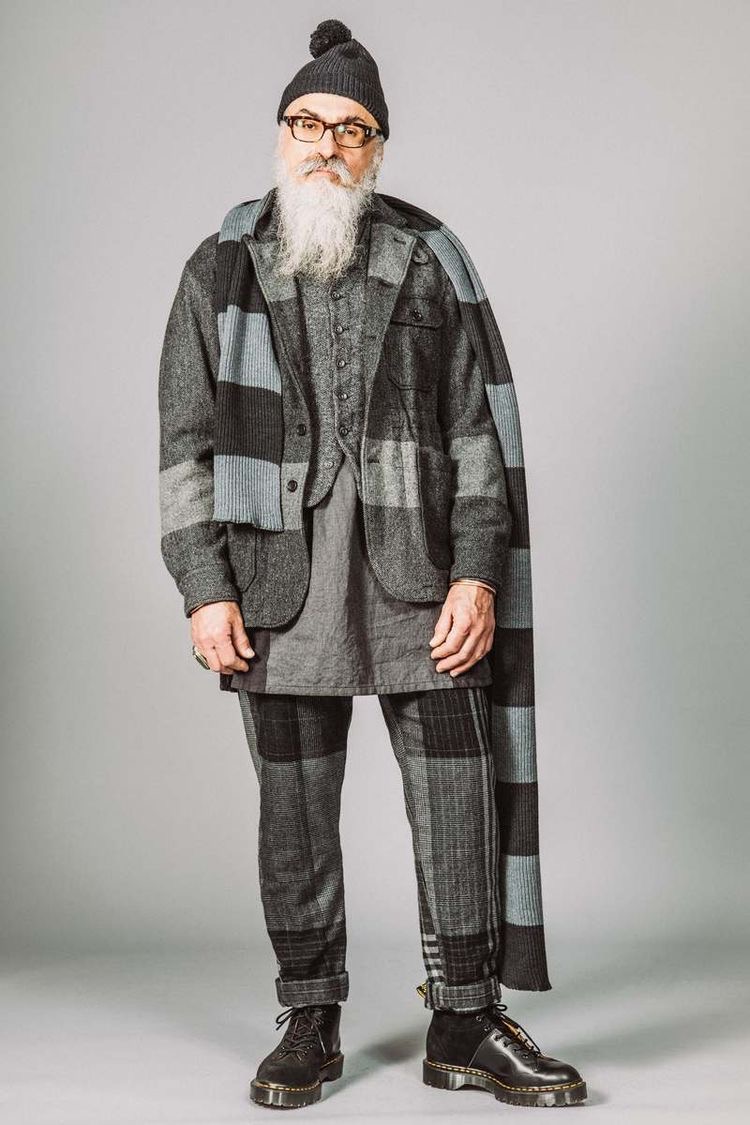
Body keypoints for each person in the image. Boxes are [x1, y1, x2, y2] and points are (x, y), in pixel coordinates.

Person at [158, 17, 586, 1111]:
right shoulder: (219, 267)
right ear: (281, 134)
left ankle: (465, 1018)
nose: (327, 146)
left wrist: (478, 573)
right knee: (294, 810)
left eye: (351, 129)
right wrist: (205, 588)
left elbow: (475, 437)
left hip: (419, 574)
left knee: (456, 798)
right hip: (276, 578)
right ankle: (309, 1016)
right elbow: (186, 449)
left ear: (379, 148)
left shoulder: (430, 259)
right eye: (308, 124)